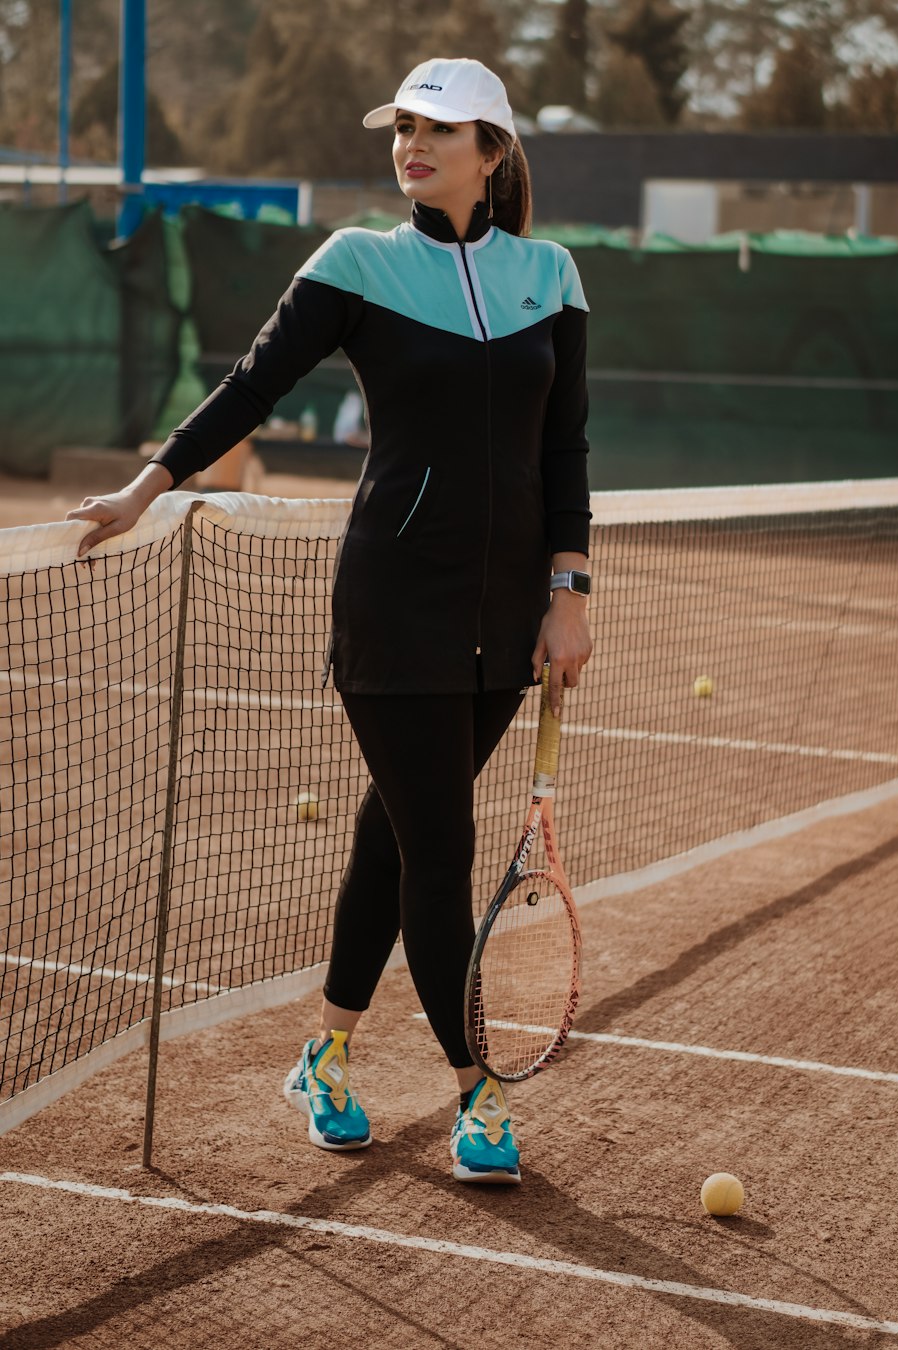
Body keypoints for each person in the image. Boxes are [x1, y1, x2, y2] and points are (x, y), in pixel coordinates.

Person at [67, 57, 592, 1185]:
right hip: (393, 607)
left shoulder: (552, 275)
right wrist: (149, 484)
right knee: (440, 847)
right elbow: (251, 385)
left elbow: (564, 453)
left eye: (438, 129)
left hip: (506, 622)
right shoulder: (355, 261)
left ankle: (326, 1054)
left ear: (492, 152)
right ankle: (476, 1090)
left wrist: (569, 595)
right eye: (403, 127)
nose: (412, 144)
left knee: (393, 840)